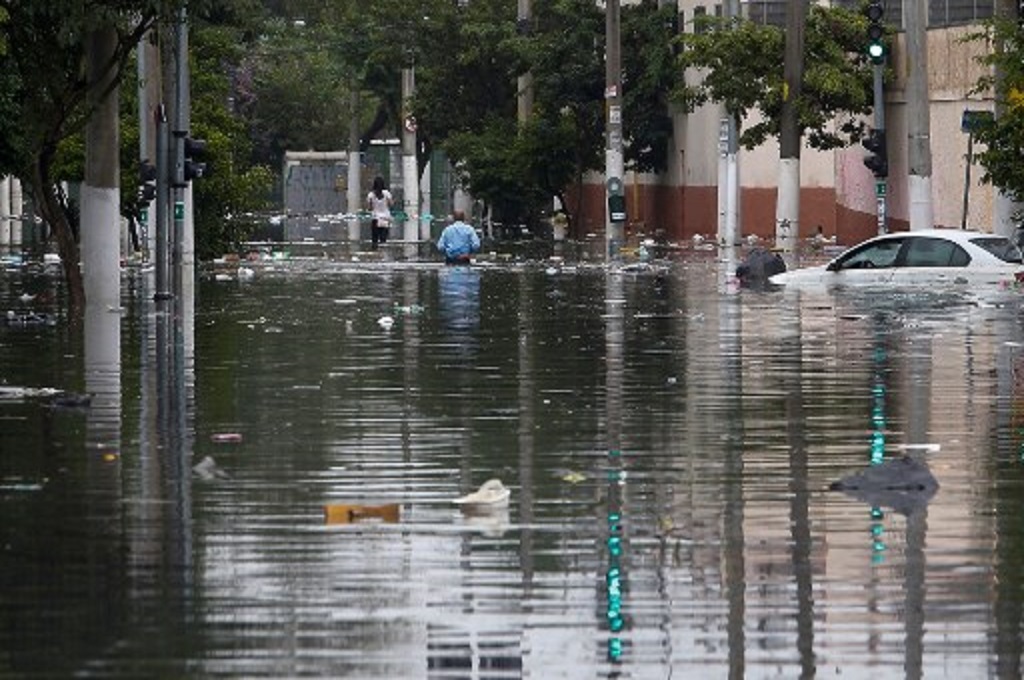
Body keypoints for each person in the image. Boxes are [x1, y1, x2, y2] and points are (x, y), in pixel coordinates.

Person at [366, 176, 393, 250]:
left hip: (375, 218)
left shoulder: (371, 195)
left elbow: (369, 208)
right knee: (383, 240)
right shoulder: (387, 193)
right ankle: (383, 255)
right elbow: (391, 204)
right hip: (385, 218)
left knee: (375, 239)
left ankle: (375, 253)